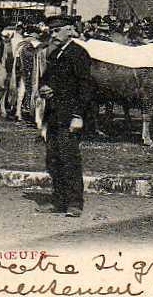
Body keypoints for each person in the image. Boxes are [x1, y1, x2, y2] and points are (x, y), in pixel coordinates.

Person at [35, 17, 93, 217]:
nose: (53, 35)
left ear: (69, 30)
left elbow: (85, 88)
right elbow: (47, 78)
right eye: (51, 31)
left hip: (69, 116)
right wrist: (43, 87)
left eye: (57, 30)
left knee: (69, 159)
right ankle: (58, 201)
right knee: (53, 159)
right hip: (53, 115)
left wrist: (78, 116)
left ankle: (74, 203)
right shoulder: (55, 54)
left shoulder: (78, 54)